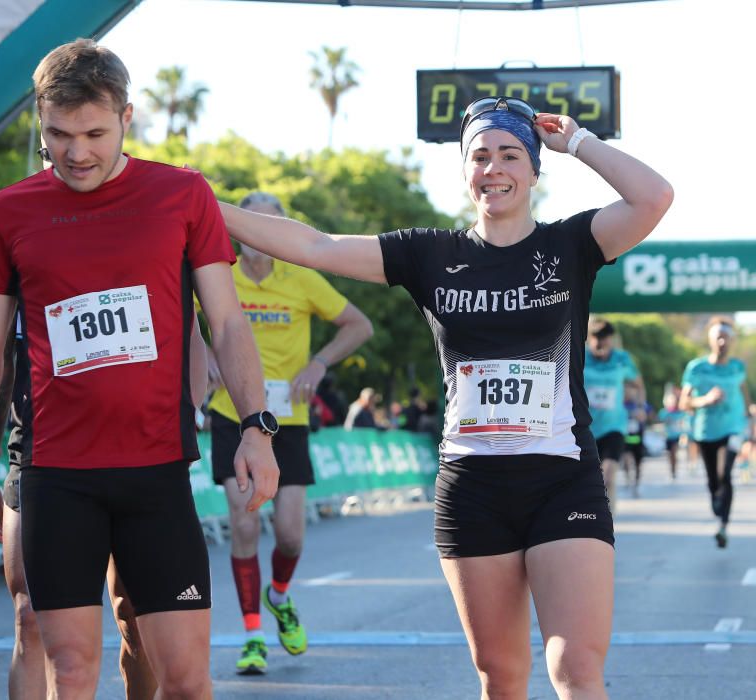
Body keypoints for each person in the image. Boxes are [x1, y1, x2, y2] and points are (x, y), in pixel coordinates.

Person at [218, 96, 673, 699]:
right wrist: (201, 202)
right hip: (472, 488)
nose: (495, 169)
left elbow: (654, 198)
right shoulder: (430, 254)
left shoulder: (572, 245)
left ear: (535, 170)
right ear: (464, 170)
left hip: (562, 480)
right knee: (501, 679)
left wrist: (579, 142)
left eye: (511, 155)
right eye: (480, 157)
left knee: (576, 670)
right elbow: (318, 246)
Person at [0, 38, 279, 700]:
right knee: (66, 668)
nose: (76, 152)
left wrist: (256, 426)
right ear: (40, 119)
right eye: (58, 134)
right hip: (55, 476)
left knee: (185, 679)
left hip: (155, 473)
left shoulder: (182, 195)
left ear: (128, 116)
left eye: (94, 132)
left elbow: (229, 322)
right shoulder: (9, 211)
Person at [0, 304, 209, 699]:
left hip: (136, 458)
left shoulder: (145, 246)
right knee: (29, 617)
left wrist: (183, 422)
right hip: (41, 458)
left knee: (133, 616)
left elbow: (192, 334)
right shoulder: (22, 248)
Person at [205, 191, 372, 675]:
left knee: (291, 537)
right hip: (231, 413)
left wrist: (319, 363)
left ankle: (278, 596)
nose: (264, 235)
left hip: (286, 420)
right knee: (243, 524)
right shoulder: (220, 271)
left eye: (274, 225)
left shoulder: (301, 277)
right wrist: (208, 357)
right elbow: (178, 313)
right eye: (254, 223)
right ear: (238, 227)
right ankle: (253, 634)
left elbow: (357, 325)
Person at [679, 317, 752, 549]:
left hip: (733, 428)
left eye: (726, 337)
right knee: (713, 480)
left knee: (725, 473)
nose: (722, 341)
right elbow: (684, 403)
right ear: (711, 340)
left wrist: (750, 415)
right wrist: (706, 400)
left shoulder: (738, 367)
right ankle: (716, 500)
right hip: (705, 431)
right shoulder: (697, 367)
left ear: (732, 340)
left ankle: (723, 525)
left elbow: (744, 391)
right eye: (718, 337)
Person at [584, 318, 645, 511]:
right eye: (595, 337)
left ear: (611, 339)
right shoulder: (580, 356)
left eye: (604, 338)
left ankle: (607, 522)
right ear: (588, 338)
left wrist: (640, 406)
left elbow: (638, 384)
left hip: (614, 426)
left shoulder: (622, 359)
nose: (599, 342)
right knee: (589, 480)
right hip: (586, 428)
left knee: (608, 476)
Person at [657, 386, 688, 480]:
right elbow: (659, 422)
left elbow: (685, 423)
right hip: (668, 436)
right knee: (670, 455)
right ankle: (672, 469)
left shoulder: (681, 413)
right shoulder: (664, 412)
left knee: (674, 452)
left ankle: (675, 469)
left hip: (677, 436)